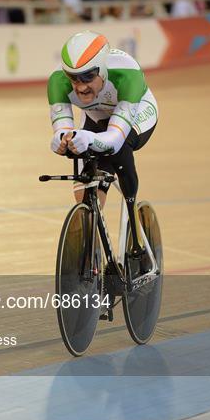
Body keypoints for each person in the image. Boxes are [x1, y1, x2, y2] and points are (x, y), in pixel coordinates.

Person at [48, 30, 158, 256]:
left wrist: (88, 138)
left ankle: (135, 236)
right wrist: (62, 140)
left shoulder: (128, 75)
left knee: (117, 151)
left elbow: (115, 140)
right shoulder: (57, 82)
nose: (80, 86)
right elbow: (64, 131)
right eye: (73, 77)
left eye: (88, 76)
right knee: (84, 193)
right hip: (96, 118)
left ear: (104, 69)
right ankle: (92, 255)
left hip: (136, 115)